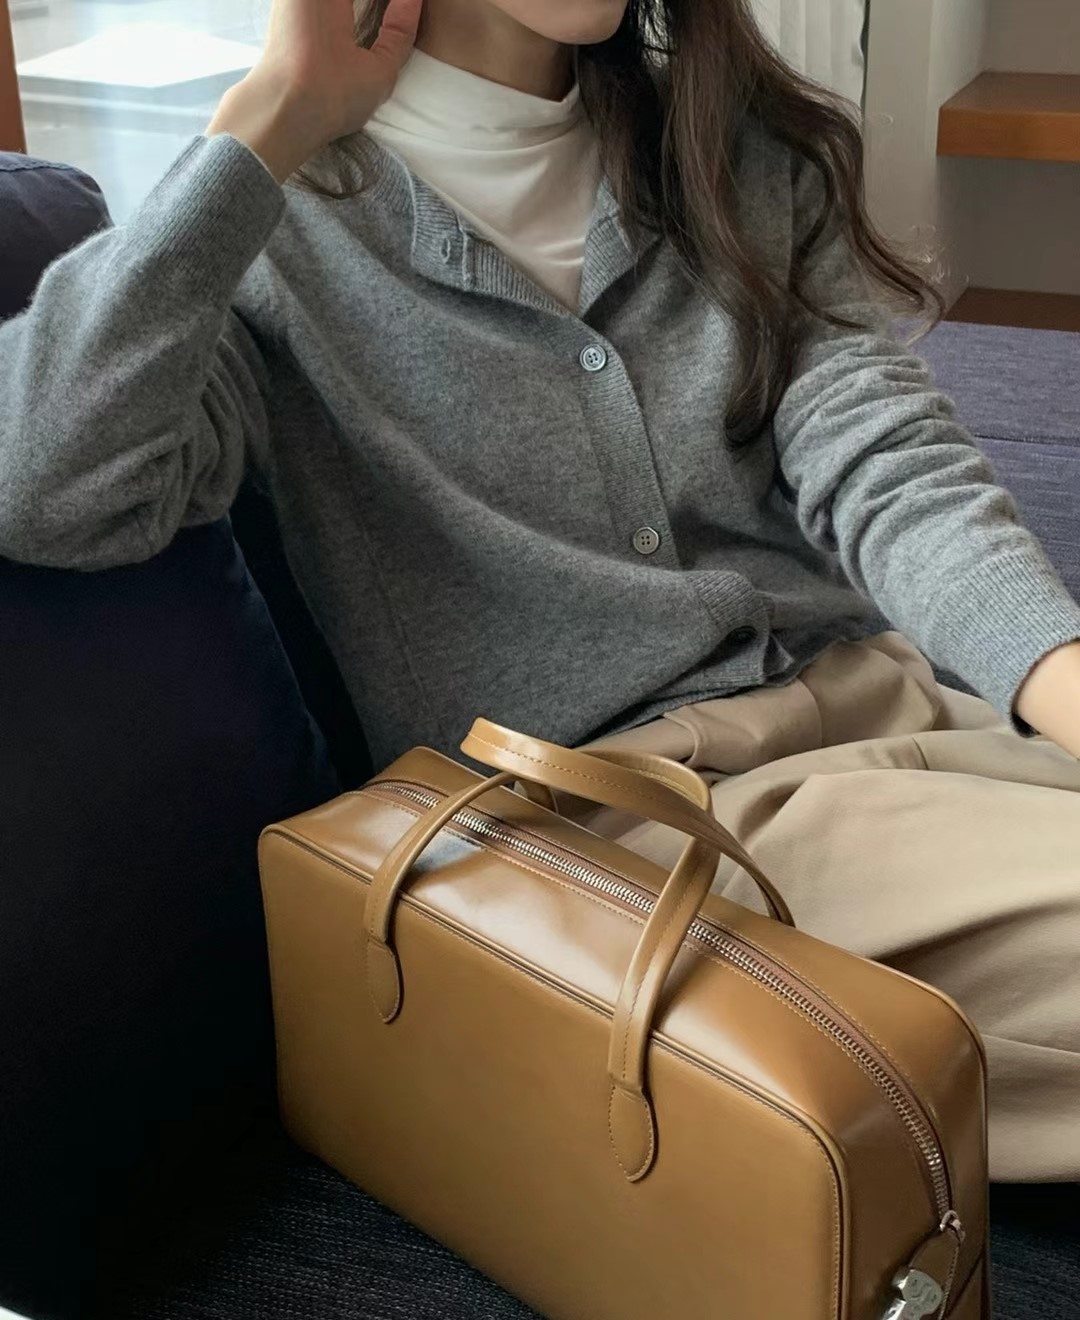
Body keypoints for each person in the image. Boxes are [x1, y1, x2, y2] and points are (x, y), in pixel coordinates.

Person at [0, 0, 1077, 1184]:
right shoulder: (271, 230)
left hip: (892, 716)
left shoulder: (730, 145)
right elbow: (46, 485)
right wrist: (271, 117)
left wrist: (1058, 677)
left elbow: (888, 462)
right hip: (630, 827)